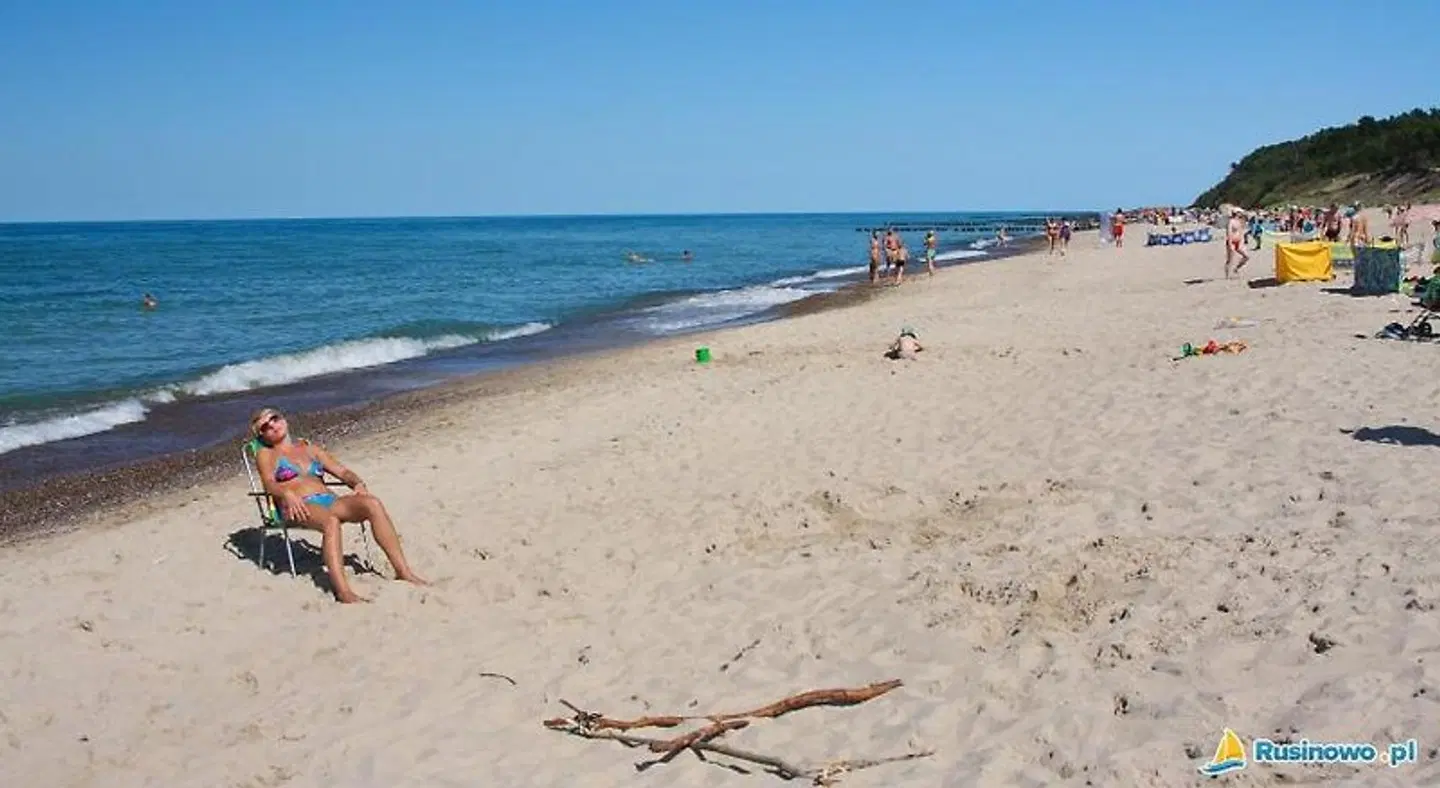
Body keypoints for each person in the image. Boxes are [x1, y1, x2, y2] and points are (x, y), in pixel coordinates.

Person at [249, 407, 427, 603]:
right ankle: (343, 592)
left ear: (284, 419)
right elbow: (269, 484)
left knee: (372, 504)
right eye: (265, 427)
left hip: (329, 501)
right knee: (330, 521)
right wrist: (286, 493)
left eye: (274, 418)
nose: (272, 425)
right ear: (262, 436)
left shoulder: (310, 449)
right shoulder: (266, 455)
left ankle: (403, 571)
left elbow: (342, 472)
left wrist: (357, 483)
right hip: (298, 505)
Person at [1225, 210, 1250, 278]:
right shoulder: (1231, 221)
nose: (1241, 214)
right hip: (1232, 241)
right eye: (1239, 213)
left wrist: (1242, 241)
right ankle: (1227, 276)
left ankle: (1236, 268)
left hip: (1239, 241)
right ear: (1236, 213)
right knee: (1230, 260)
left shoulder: (1240, 221)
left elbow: (1241, 232)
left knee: (1246, 256)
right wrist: (1230, 243)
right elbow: (1229, 233)